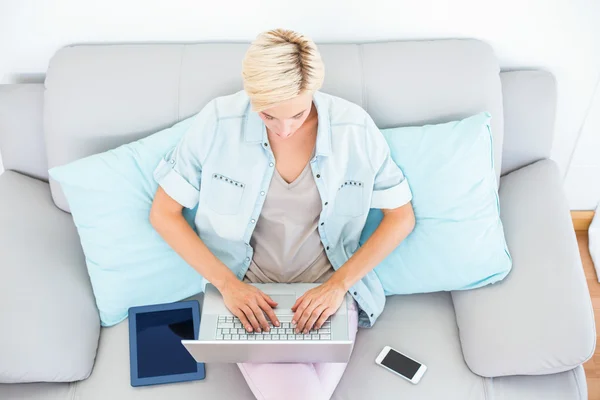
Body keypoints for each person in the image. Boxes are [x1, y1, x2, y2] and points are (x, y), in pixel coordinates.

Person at [150, 28, 415, 400]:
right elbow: (164, 213)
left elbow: (401, 217)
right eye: (268, 115)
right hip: (250, 295)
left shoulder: (354, 128)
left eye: (297, 114)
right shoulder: (216, 122)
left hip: (327, 293)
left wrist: (337, 287)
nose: (285, 129)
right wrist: (228, 286)